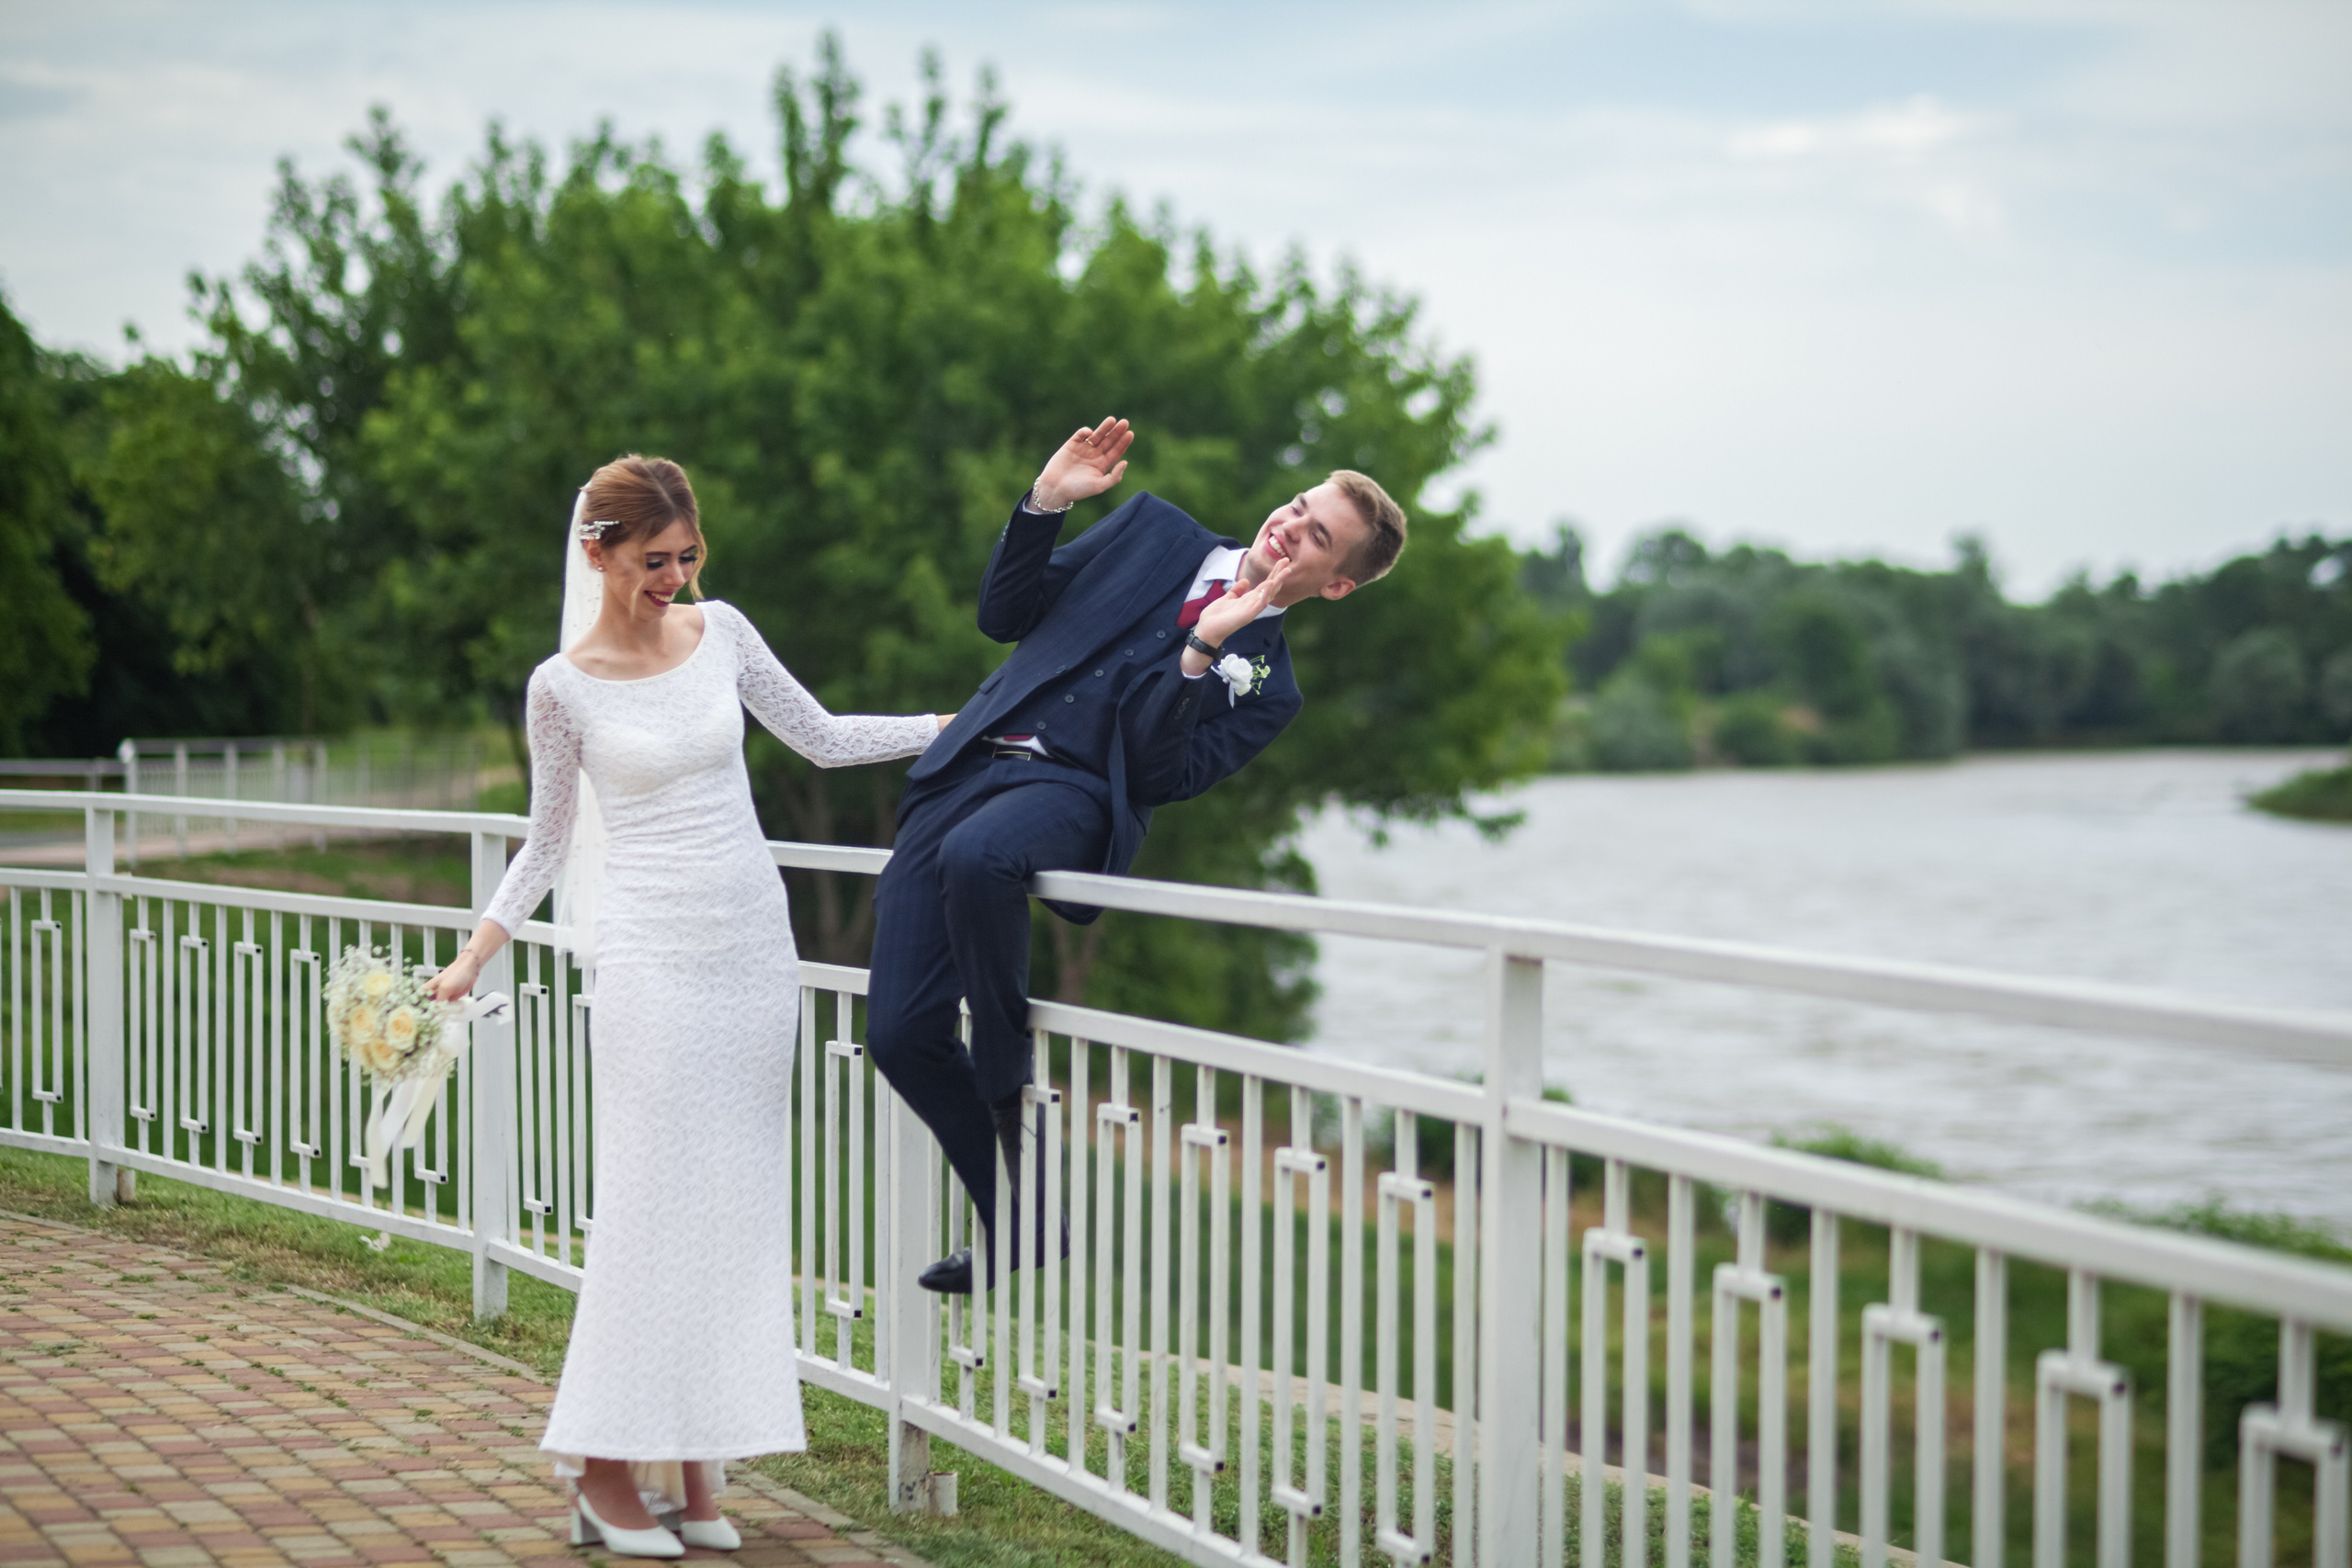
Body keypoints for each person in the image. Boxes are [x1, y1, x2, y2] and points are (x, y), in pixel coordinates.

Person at [427, 456, 946, 1559]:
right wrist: (476, 954)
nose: (673, 577)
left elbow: (824, 735)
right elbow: (549, 840)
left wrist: (956, 723)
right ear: (598, 552)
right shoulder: (559, 687)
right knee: (652, 1216)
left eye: (687, 557)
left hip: (753, 950)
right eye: (653, 560)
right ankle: (604, 1472)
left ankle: (697, 1471)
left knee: (731, 1213)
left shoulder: (727, 634)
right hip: (652, 960)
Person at [865, 416, 1408, 1293]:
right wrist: (1045, 503)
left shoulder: (1271, 688)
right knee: (898, 1034)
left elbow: (1158, 774)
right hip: (968, 761)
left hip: (1073, 796)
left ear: (1337, 584)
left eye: (1317, 535)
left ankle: (1012, 1088)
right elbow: (1004, 614)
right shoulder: (1156, 528)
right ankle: (1025, 1219)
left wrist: (1204, 652)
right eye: (1298, 505)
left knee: (979, 858)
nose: (1289, 526)